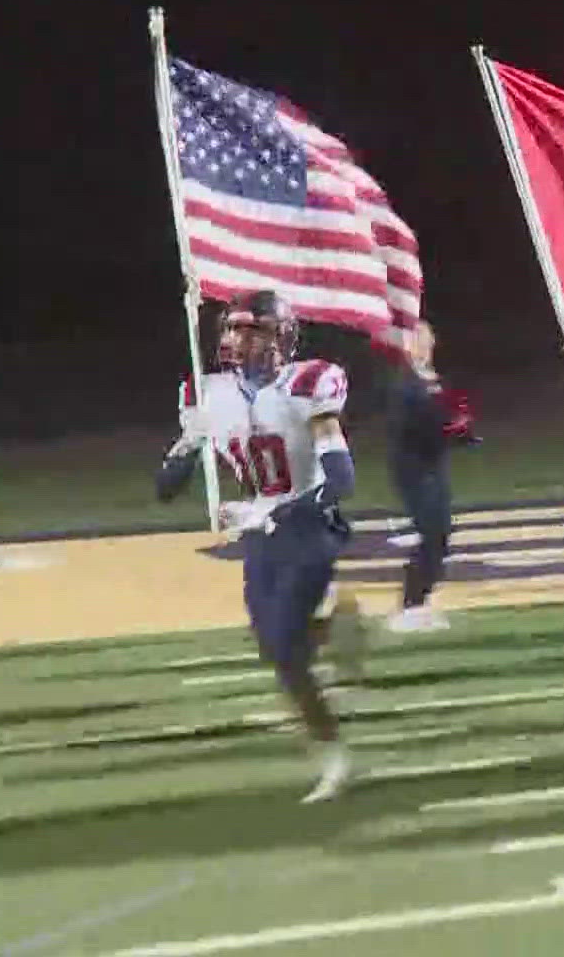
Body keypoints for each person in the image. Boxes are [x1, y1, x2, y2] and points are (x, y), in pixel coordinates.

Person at [158, 290, 359, 803]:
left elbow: (341, 478)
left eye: (255, 331)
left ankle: (333, 758)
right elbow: (165, 489)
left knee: (288, 655)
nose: (240, 341)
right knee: (275, 647)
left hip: (310, 524)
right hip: (260, 531)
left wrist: (278, 510)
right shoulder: (207, 394)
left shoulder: (308, 385)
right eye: (234, 330)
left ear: (282, 337)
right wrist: (189, 443)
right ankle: (335, 623)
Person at [385, 320, 478, 633]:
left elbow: (447, 414)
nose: (429, 344)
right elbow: (413, 425)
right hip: (414, 466)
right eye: (421, 339)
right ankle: (411, 603)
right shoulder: (405, 383)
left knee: (441, 532)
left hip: (434, 463)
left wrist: (461, 428)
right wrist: (448, 426)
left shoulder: (430, 379)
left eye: (429, 337)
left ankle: (419, 600)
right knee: (433, 531)